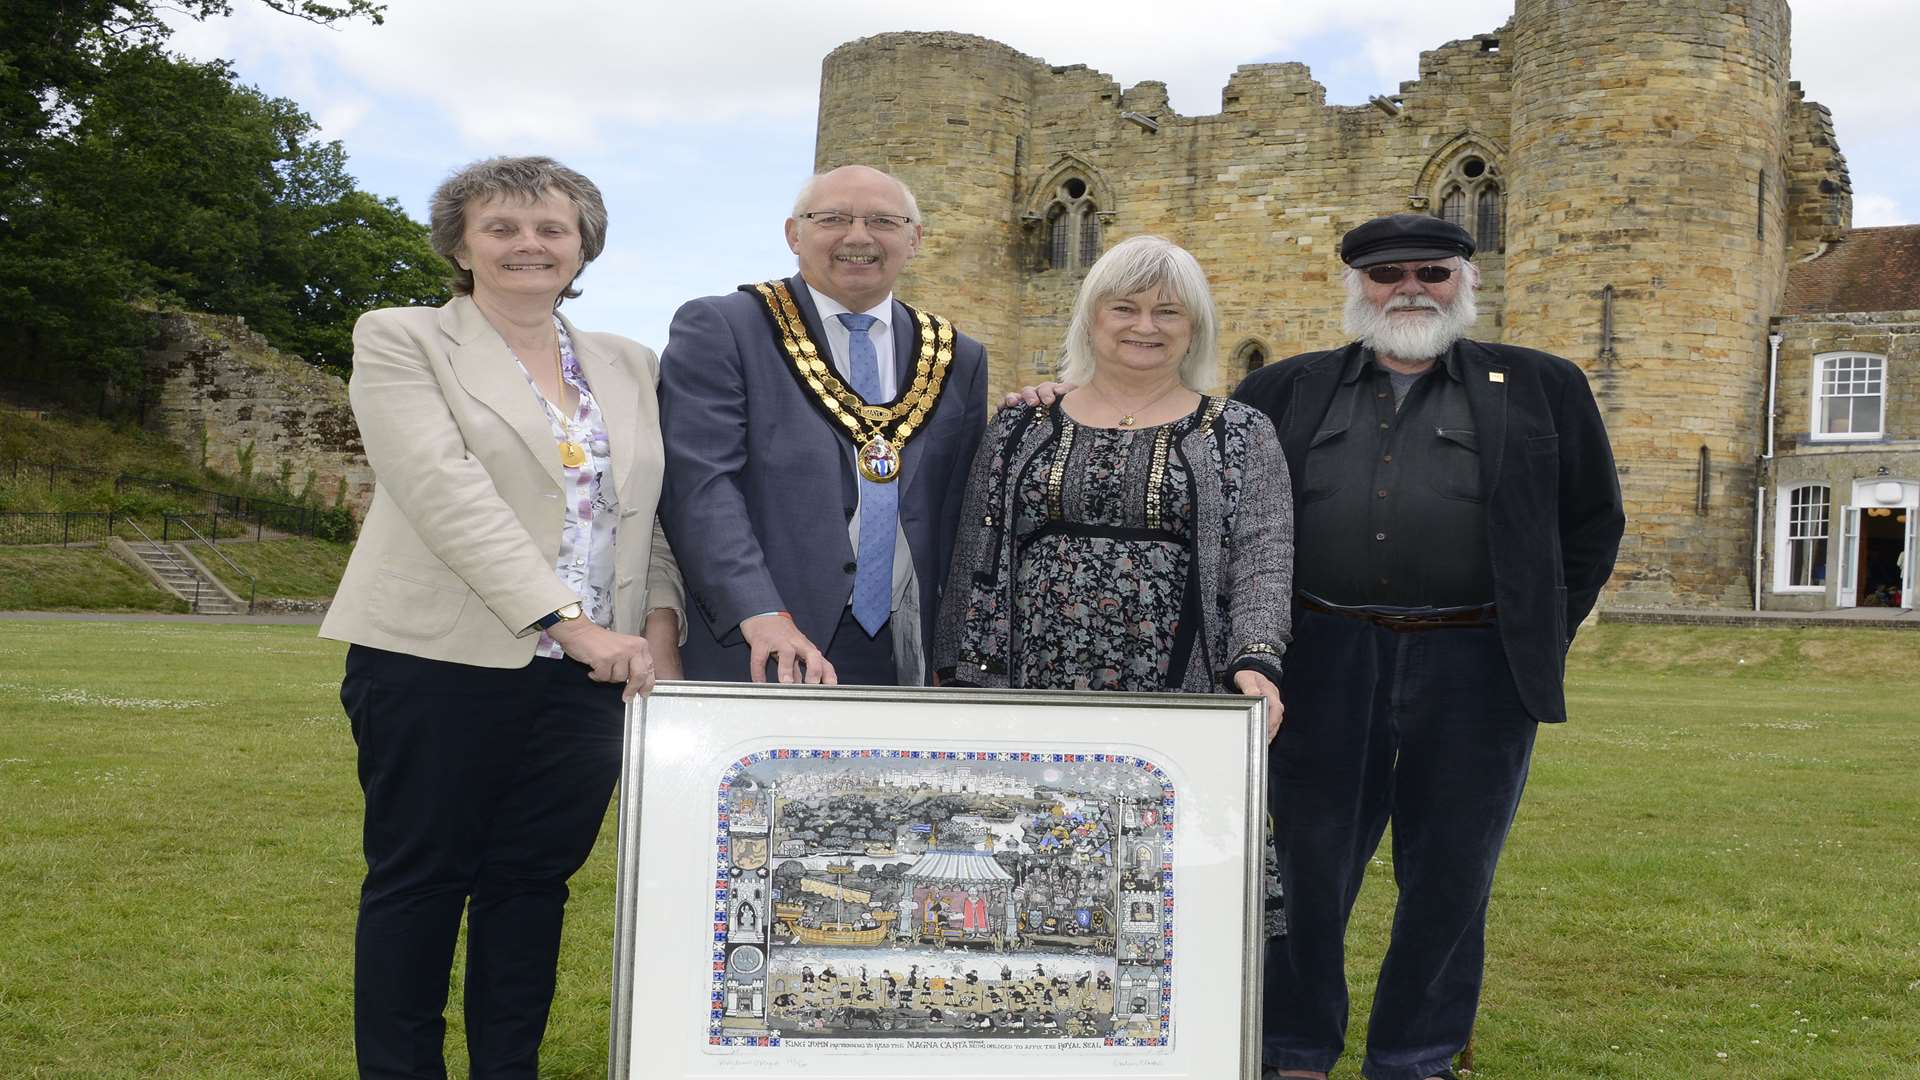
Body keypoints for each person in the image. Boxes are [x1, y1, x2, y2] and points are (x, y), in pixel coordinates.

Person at [1233, 214, 1625, 1080]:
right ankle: (1294, 1048)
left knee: (1452, 876)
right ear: (1357, 287)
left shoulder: (1543, 385)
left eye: (1431, 273)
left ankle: (1414, 1055)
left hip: (1477, 665)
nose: (1409, 288)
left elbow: (1593, 522)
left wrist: (1535, 632)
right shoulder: (1283, 391)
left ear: (1465, 282)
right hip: (1323, 659)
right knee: (1306, 869)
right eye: (1386, 274)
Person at [319, 155, 684, 1079]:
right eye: (503, 228)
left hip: (592, 679)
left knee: (533, 886)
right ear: (461, 243)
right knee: (421, 881)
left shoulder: (628, 362)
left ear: (582, 244)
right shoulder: (401, 338)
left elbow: (645, 515)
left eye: (551, 228)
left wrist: (659, 634)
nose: (530, 245)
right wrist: (569, 622)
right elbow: (445, 492)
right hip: (435, 659)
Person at [935, 235, 1291, 724]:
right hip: (1024, 680)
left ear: (1195, 327)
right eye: (1125, 308)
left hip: (1182, 683)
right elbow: (975, 550)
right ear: (1091, 318)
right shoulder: (1018, 425)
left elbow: (1262, 559)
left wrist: (1256, 659)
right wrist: (953, 671)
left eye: (1168, 312)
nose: (1145, 326)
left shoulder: (1242, 431)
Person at [658, 165, 988, 686]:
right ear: (794, 234)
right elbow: (699, 486)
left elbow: (960, 512)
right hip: (766, 643)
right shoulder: (727, 327)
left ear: (914, 239)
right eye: (833, 218)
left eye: (883, 220)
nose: (858, 237)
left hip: (905, 652)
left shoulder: (955, 356)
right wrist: (758, 610)